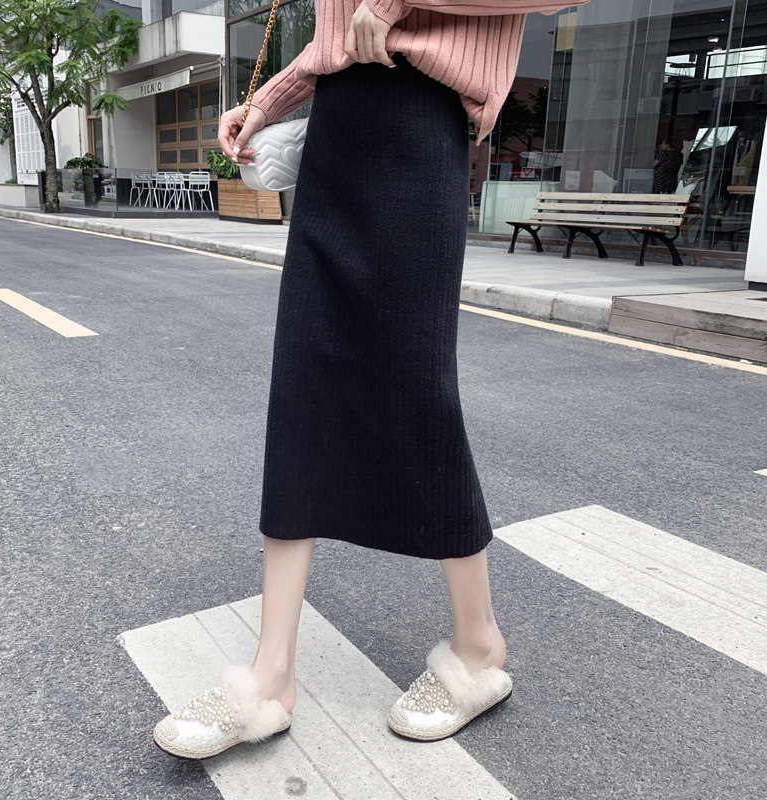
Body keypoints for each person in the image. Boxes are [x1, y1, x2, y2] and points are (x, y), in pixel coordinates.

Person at [153, 0, 586, 759]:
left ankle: (479, 646)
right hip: (337, 133)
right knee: (302, 387)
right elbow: (337, 37)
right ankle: (270, 677)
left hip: (420, 125)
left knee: (417, 388)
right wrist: (269, 101)